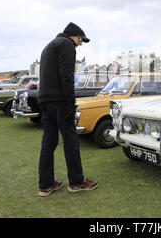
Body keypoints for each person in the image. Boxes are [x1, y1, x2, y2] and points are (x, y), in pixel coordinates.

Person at [37, 22, 98, 197]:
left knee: (49, 143)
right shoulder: (66, 45)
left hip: (46, 101)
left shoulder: (48, 46)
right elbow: (66, 77)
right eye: (80, 39)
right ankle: (77, 182)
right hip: (60, 101)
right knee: (71, 140)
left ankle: (46, 185)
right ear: (73, 35)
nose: (80, 43)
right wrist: (71, 103)